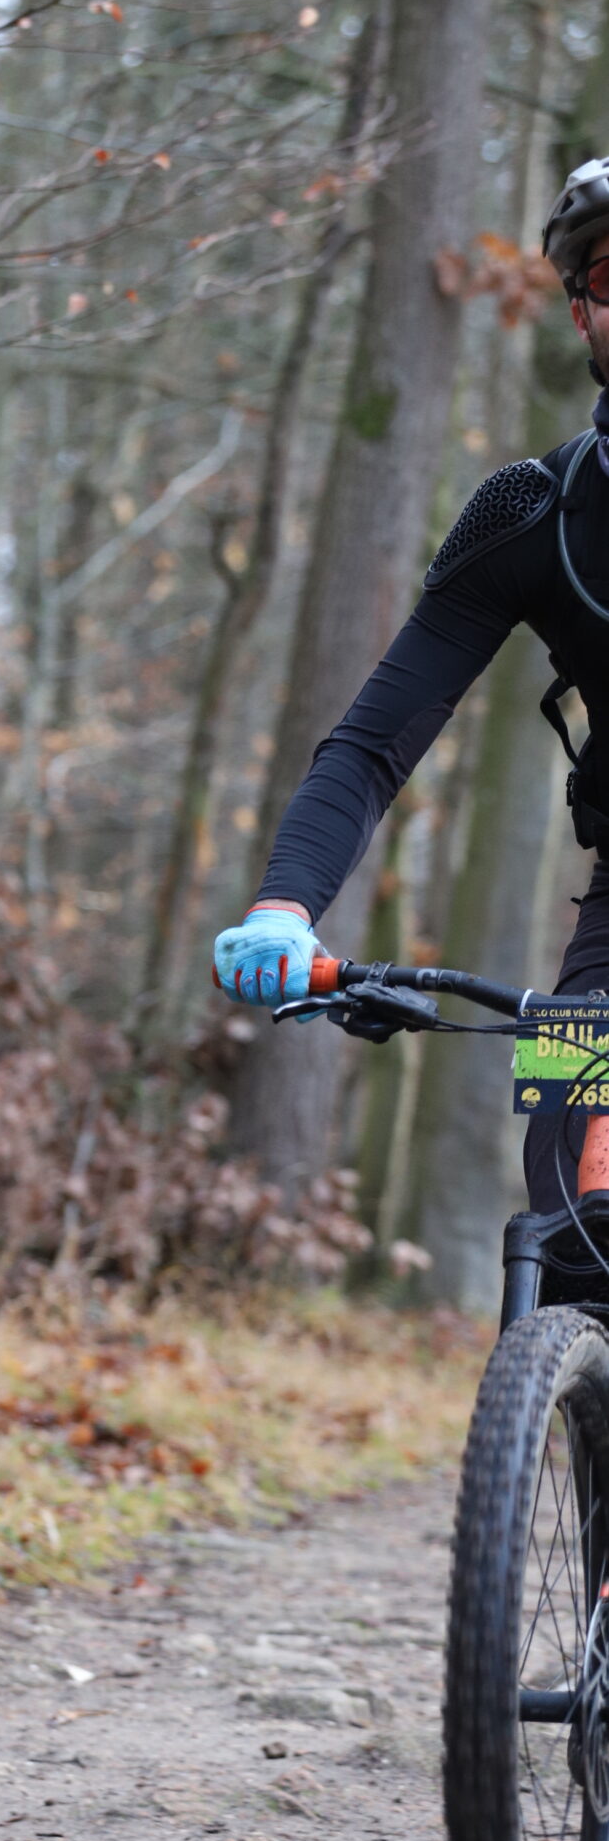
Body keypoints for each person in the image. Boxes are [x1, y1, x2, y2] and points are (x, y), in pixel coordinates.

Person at [214, 157, 609, 1211]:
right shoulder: (532, 515)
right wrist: (283, 908)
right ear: (579, 310)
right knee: (565, 1199)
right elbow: (370, 744)